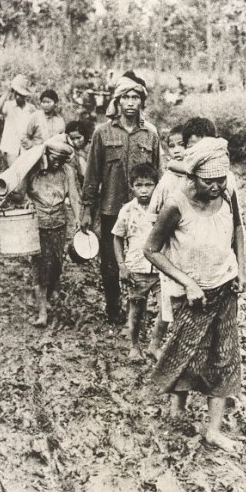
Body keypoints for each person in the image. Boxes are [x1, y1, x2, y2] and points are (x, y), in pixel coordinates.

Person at [144, 137, 246, 451]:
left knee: (225, 358)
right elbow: (151, 250)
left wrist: (241, 267)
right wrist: (187, 281)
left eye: (220, 179)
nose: (216, 186)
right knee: (185, 351)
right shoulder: (176, 203)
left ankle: (213, 431)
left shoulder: (228, 192)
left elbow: (238, 229)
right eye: (208, 181)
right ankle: (178, 408)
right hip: (190, 295)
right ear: (192, 176)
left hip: (224, 287)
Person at [81, 71, 161, 325]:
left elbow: (159, 173)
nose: (130, 102)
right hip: (111, 207)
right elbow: (92, 174)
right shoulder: (102, 133)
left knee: (141, 257)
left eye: (135, 97)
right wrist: (86, 209)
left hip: (143, 210)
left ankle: (135, 308)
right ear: (117, 101)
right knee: (111, 262)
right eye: (125, 97)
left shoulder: (150, 134)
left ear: (141, 102)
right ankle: (113, 307)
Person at [26, 134, 82, 327]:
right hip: (37, 223)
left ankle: (49, 296)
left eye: (61, 160)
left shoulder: (67, 171)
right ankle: (42, 312)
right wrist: (25, 202)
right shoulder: (33, 169)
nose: (57, 163)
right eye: (54, 159)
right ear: (46, 155)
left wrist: (78, 219)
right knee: (40, 266)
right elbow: (19, 191)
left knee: (56, 264)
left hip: (58, 223)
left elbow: (74, 197)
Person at [112, 163, 161, 360]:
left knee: (166, 309)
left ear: (156, 186)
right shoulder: (127, 210)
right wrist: (122, 266)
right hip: (137, 268)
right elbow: (117, 237)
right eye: (138, 185)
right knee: (136, 310)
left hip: (160, 269)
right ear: (131, 186)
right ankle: (134, 346)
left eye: (148, 185)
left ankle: (155, 344)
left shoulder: (162, 208)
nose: (143, 190)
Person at [147, 124, 186, 356]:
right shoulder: (167, 182)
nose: (177, 150)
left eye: (182, 145)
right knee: (169, 300)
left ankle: (179, 345)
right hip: (170, 250)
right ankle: (155, 344)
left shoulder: (196, 177)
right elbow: (152, 215)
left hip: (189, 249)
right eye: (172, 146)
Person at [0, 74, 36, 166]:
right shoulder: (9, 106)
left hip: (25, 148)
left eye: (20, 95)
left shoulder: (31, 108)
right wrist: (7, 91)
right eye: (16, 94)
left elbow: (36, 127)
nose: (17, 97)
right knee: (12, 174)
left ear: (25, 96)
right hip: (11, 146)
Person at [65, 119, 92, 189]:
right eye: (72, 139)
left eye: (78, 138)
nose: (75, 142)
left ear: (85, 135)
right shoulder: (70, 150)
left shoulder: (93, 147)